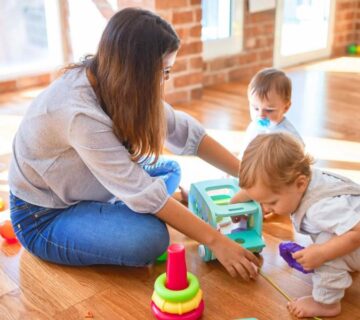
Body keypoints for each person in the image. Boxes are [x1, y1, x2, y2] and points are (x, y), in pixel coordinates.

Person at [8, 8, 260, 280]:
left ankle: (124, 202)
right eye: (164, 71)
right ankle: (125, 205)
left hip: (91, 184)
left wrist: (250, 177)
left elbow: (186, 133)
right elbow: (143, 191)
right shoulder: (79, 114)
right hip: (44, 217)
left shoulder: (110, 79)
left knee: (170, 170)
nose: (165, 80)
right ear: (136, 72)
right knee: (150, 239)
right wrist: (216, 241)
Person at [236, 132, 360, 318]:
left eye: (272, 202)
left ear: (300, 184)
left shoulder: (319, 209)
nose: (266, 207)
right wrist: (234, 202)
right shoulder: (306, 178)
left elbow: (357, 232)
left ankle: (326, 303)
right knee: (328, 242)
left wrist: (323, 253)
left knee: (325, 249)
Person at [231, 67, 304, 204]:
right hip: (247, 174)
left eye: (269, 110)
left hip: (268, 183)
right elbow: (246, 152)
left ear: (286, 107)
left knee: (237, 200)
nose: (261, 115)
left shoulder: (288, 136)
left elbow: (295, 167)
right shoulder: (255, 125)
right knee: (224, 175)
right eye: (255, 108)